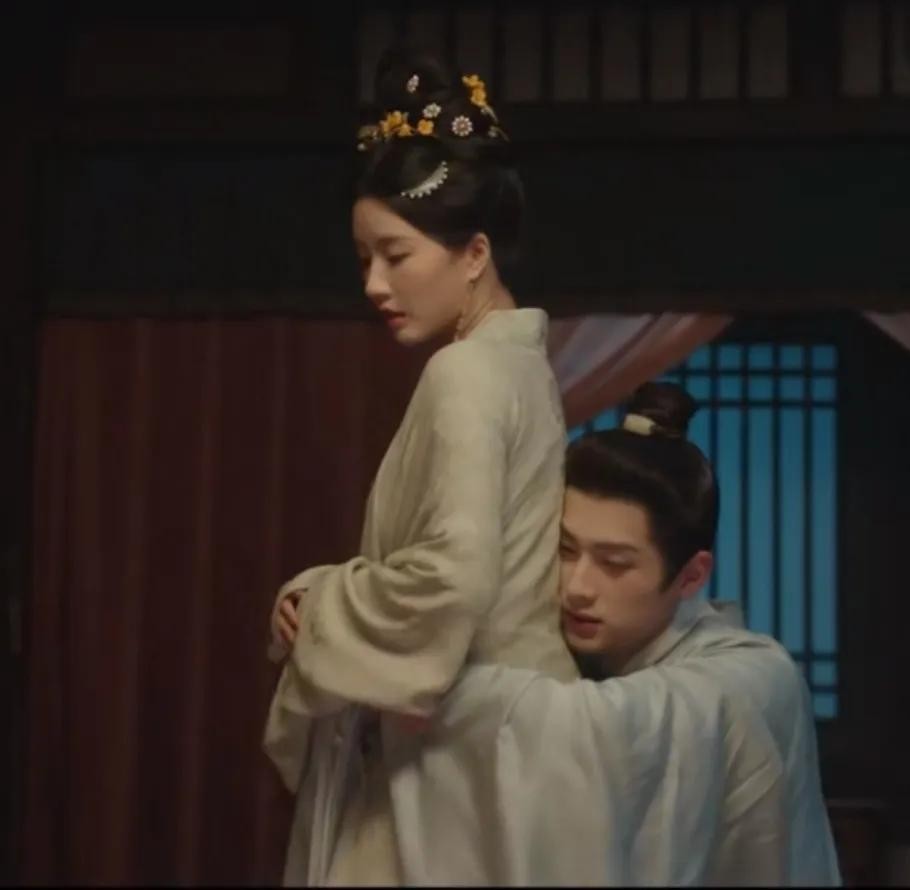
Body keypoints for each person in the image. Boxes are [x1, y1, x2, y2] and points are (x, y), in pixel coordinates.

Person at [262, 47, 579, 885]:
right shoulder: (521, 366)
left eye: (395, 256)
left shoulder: (467, 372)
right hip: (516, 740)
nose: (374, 283)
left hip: (460, 749)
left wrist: (323, 602)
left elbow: (453, 579)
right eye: (364, 258)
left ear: (473, 253)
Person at [382, 382, 843, 885]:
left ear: (692, 575)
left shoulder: (754, 676)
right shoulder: (570, 644)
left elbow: (594, 728)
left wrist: (417, 676)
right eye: (565, 551)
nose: (577, 587)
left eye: (614, 563)